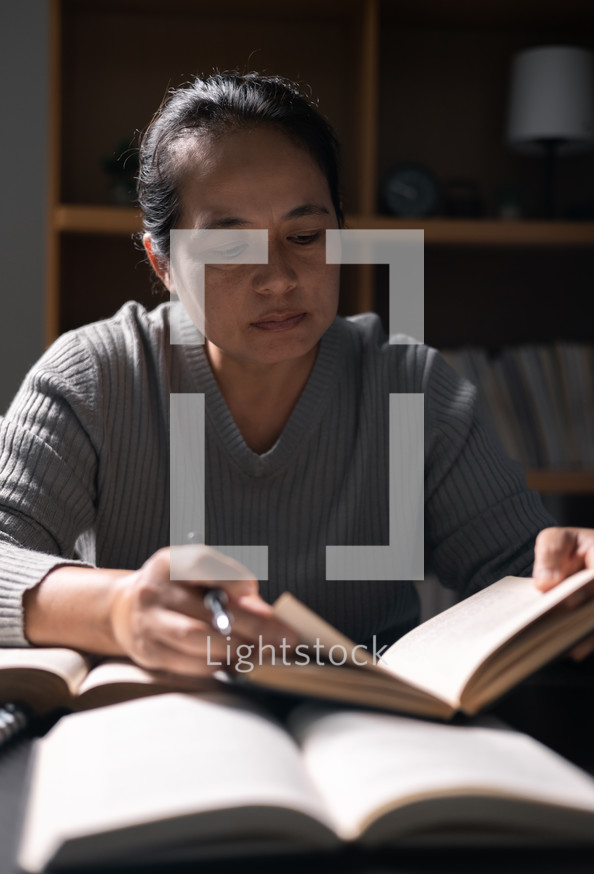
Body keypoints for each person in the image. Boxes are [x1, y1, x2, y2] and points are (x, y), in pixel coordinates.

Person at [1, 72, 593, 676]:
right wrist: (119, 609)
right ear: (164, 265)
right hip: (164, 732)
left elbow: (525, 576)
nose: (279, 278)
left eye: (305, 236)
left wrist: (566, 571)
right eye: (230, 247)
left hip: (375, 737)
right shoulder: (95, 378)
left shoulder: (411, 386)